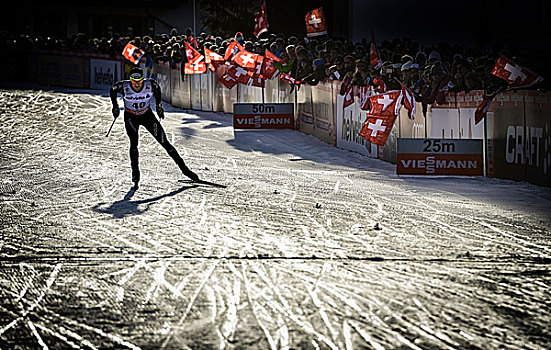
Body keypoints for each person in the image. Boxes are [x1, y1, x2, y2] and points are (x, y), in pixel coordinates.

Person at [110, 66, 199, 189]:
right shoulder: (123, 86)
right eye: (133, 81)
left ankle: (185, 170)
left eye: (139, 81)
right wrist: (115, 106)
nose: (136, 84)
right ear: (129, 79)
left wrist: (158, 106)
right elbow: (112, 90)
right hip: (131, 118)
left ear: (143, 79)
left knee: (165, 142)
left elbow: (157, 89)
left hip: (147, 117)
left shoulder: (150, 84)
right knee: (134, 143)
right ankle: (135, 173)